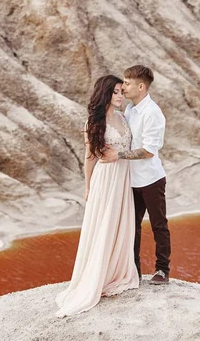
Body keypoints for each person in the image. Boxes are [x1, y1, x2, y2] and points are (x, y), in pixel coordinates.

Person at [55, 75, 139, 317]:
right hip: (106, 178)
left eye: (122, 91)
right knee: (105, 223)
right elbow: (90, 157)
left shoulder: (123, 116)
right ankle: (96, 278)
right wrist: (88, 186)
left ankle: (117, 272)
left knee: (120, 224)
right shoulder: (94, 120)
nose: (121, 96)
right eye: (115, 92)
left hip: (123, 178)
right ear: (105, 93)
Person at [101, 65, 170, 285]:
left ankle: (162, 270)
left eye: (128, 83)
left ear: (141, 86)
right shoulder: (130, 109)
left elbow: (149, 151)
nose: (124, 87)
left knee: (158, 224)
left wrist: (118, 155)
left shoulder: (152, 113)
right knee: (132, 226)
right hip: (130, 180)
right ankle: (134, 270)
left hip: (151, 179)